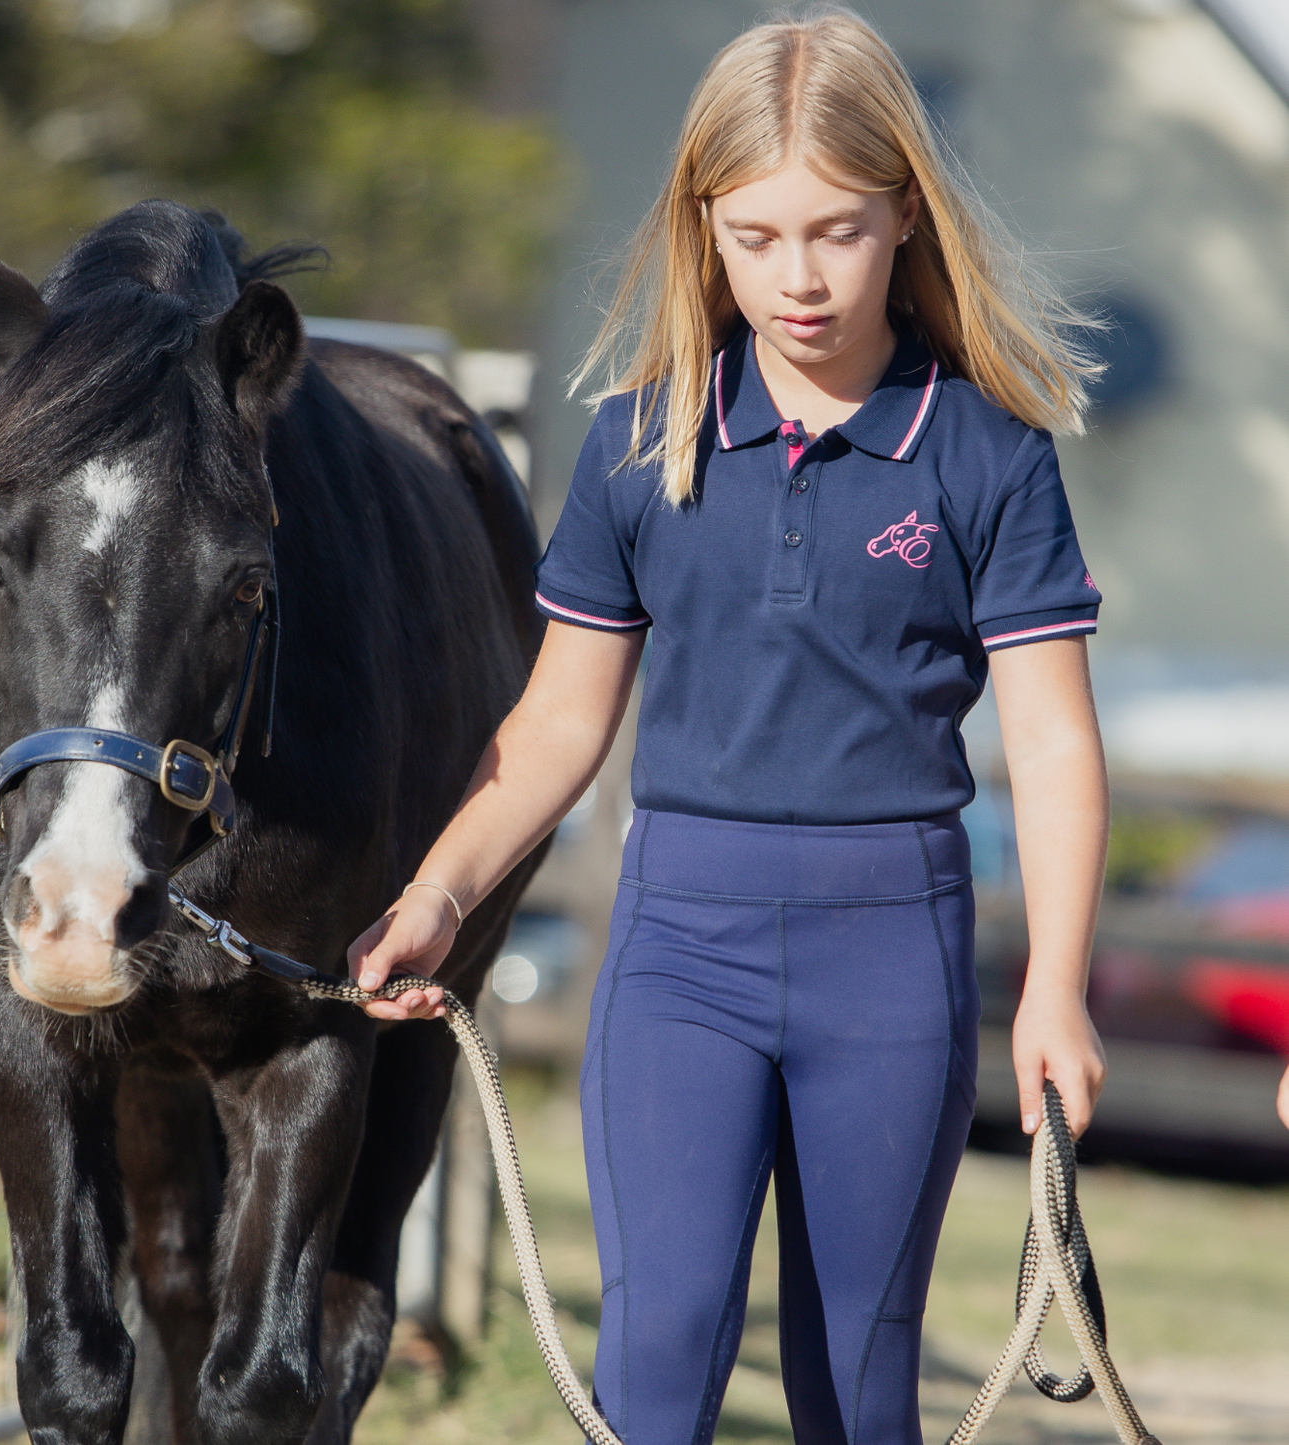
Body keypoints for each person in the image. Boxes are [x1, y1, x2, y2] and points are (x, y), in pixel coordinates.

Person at [347, 10, 1109, 1441]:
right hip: (677, 949)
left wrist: (1055, 985)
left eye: (836, 231)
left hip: (894, 952)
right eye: (754, 236)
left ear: (904, 217)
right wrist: (437, 893)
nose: (798, 277)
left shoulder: (988, 453)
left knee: (857, 1382)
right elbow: (562, 718)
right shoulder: (642, 448)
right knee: (660, 1357)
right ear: (703, 229)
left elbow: (1055, 745)